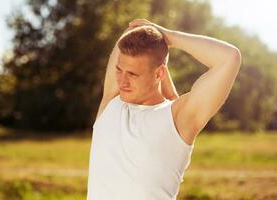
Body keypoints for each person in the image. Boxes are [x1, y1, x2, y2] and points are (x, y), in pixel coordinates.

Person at [86, 19, 241, 200]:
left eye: (133, 74)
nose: (122, 81)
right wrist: (150, 31)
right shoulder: (111, 103)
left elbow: (230, 58)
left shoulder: (178, 119)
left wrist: (169, 36)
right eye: (119, 70)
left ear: (159, 73)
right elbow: (133, 29)